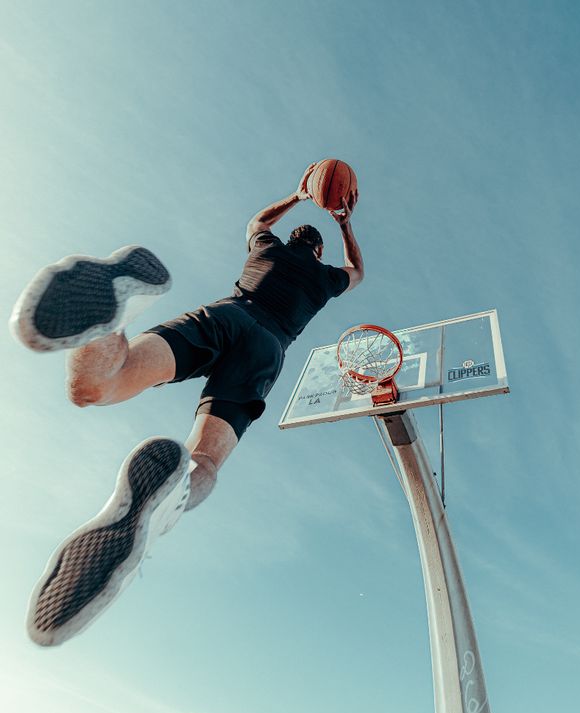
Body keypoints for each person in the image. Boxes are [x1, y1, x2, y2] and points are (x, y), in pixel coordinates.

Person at [10, 164, 363, 646]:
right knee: (205, 461)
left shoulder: (268, 248)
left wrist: (297, 195)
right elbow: (357, 272)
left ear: (291, 237)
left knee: (98, 386)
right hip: (266, 351)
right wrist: (343, 222)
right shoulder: (324, 278)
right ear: (318, 250)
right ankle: (165, 508)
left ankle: (112, 320)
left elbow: (257, 222)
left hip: (227, 315)